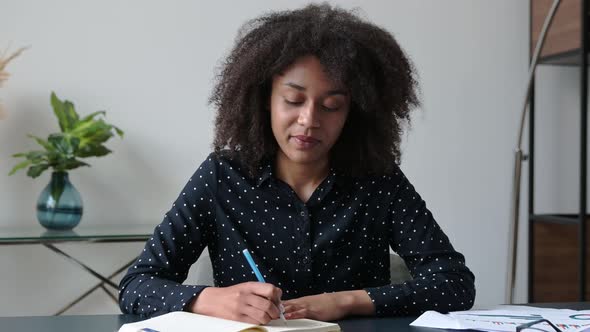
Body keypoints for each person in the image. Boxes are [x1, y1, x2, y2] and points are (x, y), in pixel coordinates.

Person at [119, 3, 476, 324]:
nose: (309, 120)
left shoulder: (378, 180)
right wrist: (209, 299)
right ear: (264, 100)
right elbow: (137, 284)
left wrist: (345, 302)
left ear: (355, 112)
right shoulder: (222, 176)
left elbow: (453, 283)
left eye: (331, 105)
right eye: (293, 100)